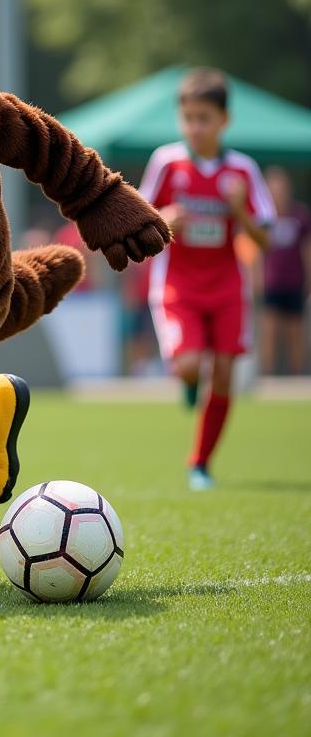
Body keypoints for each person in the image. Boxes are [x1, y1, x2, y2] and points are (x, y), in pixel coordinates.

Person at [139, 67, 275, 491]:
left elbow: (265, 239)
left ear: (224, 120)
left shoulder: (243, 170)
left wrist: (238, 211)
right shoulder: (166, 162)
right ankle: (188, 382)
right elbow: (139, 219)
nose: (195, 127)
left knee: (225, 373)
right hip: (179, 286)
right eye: (189, 118)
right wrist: (163, 219)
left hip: (227, 287)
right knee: (191, 364)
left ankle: (200, 463)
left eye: (204, 118)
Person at [260, 166, 311, 375]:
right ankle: (268, 376)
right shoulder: (262, 215)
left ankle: (295, 376)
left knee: (295, 333)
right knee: (269, 332)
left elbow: (307, 249)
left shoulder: (300, 215)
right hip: (270, 283)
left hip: (294, 282)